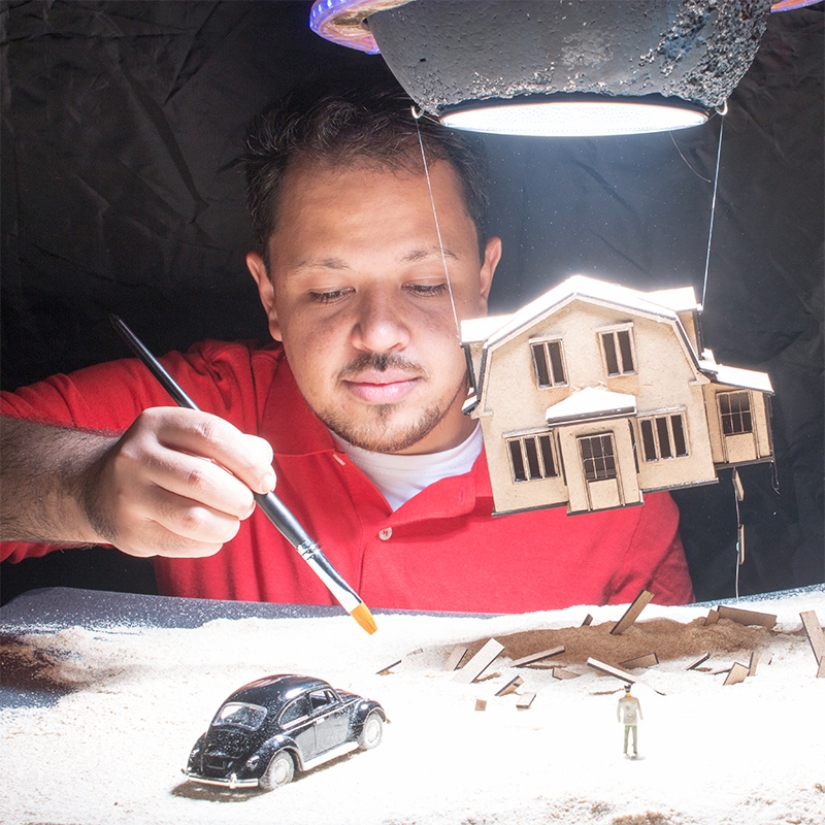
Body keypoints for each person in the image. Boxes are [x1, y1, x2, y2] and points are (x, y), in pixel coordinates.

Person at [0, 88, 694, 613]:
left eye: (425, 284)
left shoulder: (607, 476)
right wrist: (84, 489)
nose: (379, 332)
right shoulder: (204, 409)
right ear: (269, 295)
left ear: (483, 282)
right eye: (329, 291)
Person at [617, 685, 643, 758]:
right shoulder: (635, 700)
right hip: (634, 720)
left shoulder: (621, 700)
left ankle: (625, 750)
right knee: (635, 736)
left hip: (626, 720)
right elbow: (639, 709)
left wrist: (619, 718)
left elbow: (618, 711)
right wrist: (641, 717)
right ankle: (635, 749)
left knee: (626, 736)